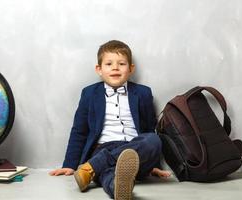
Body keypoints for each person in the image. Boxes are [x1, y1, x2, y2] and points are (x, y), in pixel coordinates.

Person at [49, 40, 171, 200]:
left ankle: (91, 168)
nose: (115, 67)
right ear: (99, 69)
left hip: (135, 151)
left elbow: (149, 127)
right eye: (109, 64)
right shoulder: (89, 94)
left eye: (121, 63)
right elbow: (79, 131)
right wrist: (69, 165)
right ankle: (118, 188)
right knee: (108, 173)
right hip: (103, 148)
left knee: (154, 139)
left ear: (131, 69)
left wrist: (154, 164)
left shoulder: (143, 93)